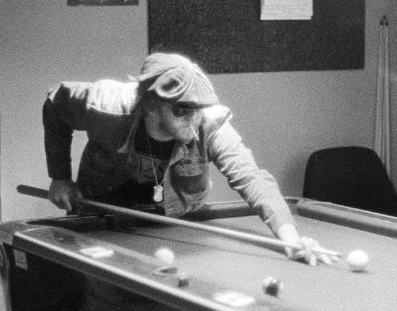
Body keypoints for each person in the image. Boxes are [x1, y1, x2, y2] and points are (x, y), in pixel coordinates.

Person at [43, 52, 330, 265]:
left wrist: (290, 239)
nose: (193, 119)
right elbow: (56, 105)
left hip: (175, 221)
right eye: (182, 110)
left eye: (198, 109)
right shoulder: (106, 106)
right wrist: (60, 177)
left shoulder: (208, 125)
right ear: (150, 106)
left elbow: (253, 178)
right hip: (102, 218)